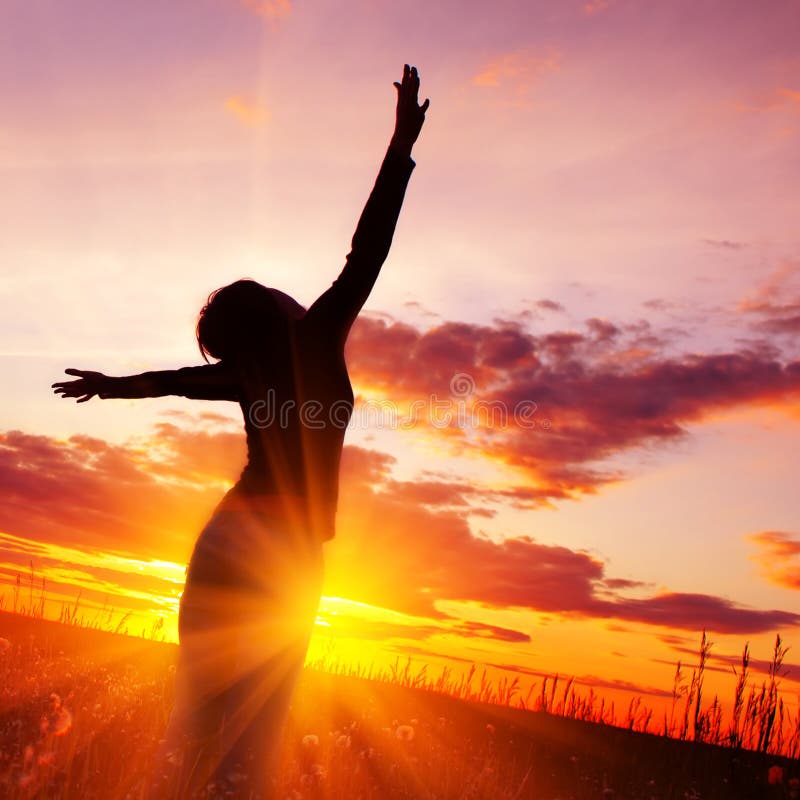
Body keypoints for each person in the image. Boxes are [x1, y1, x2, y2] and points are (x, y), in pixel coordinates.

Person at [52, 64, 429, 798]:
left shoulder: (247, 373)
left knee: (195, 722)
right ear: (276, 310)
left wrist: (108, 386)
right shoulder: (313, 341)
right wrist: (400, 146)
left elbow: (165, 382)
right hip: (284, 557)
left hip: (229, 542)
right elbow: (369, 250)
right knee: (250, 740)